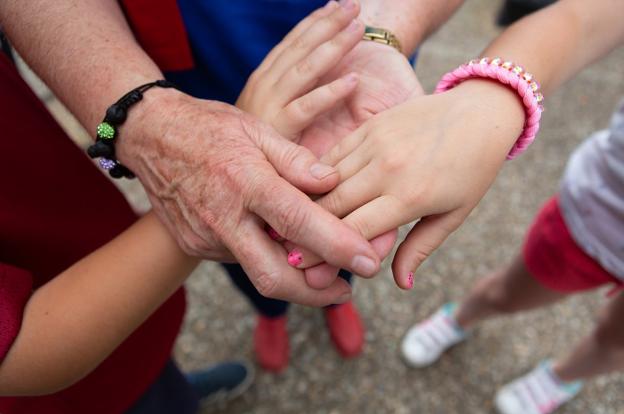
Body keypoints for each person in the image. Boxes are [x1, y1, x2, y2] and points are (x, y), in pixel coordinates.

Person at [0, 6, 373, 413]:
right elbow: (23, 348)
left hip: (97, 240)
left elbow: (104, 142)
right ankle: (271, 313)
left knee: (331, 216)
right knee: (248, 250)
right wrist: (152, 142)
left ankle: (334, 299)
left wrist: (129, 121)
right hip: (75, 369)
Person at [0, 0, 466, 309]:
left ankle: (332, 300)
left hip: (355, 57)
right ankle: (270, 313)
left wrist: (383, 31)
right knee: (234, 238)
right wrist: (132, 118)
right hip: (183, 74)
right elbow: (103, 149)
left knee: (344, 221)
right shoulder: (127, 120)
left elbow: (102, 152)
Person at [370, 0, 624, 413]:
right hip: (599, 221)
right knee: (508, 292)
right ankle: (461, 317)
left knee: (617, 344)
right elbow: (583, 18)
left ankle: (562, 377)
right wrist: (494, 97)